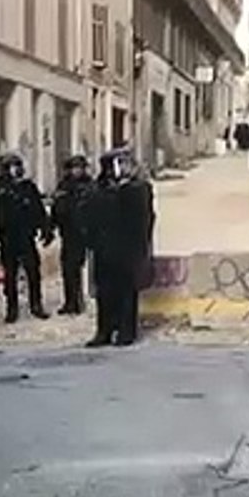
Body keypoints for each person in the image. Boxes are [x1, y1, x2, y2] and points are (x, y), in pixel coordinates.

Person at [87, 148, 155, 348]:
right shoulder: (98, 189)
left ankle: (127, 331)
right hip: (103, 249)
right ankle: (105, 331)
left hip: (128, 249)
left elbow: (143, 217)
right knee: (104, 292)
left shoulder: (137, 189)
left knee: (126, 291)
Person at [0, 153, 53, 323]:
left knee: (33, 271)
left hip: (26, 236)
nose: (15, 170)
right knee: (10, 275)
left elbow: (38, 209)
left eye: (17, 166)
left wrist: (45, 229)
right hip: (8, 237)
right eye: (11, 167)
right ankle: (12, 308)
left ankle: (36, 304)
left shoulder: (28, 187)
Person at [52, 155, 96, 315]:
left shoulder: (90, 186)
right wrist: (52, 225)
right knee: (69, 269)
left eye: (79, 168)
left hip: (86, 232)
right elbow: (57, 208)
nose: (76, 171)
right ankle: (71, 301)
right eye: (73, 168)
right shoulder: (64, 186)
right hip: (69, 233)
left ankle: (83, 299)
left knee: (85, 267)